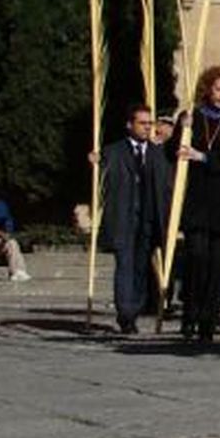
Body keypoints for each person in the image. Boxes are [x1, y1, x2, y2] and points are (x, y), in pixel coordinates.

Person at [174, 65, 220, 342]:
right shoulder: (190, 117)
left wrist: (203, 157)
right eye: (219, 89)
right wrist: (182, 134)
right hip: (196, 200)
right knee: (197, 258)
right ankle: (189, 315)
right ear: (208, 88)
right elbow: (175, 153)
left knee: (218, 266)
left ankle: (208, 321)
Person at [97, 104, 171, 334]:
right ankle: (126, 314)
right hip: (124, 218)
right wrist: (95, 164)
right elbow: (103, 181)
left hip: (148, 220)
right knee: (125, 266)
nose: (147, 127)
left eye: (150, 123)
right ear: (129, 124)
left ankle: (135, 309)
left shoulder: (158, 154)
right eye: (142, 123)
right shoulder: (113, 152)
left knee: (141, 268)